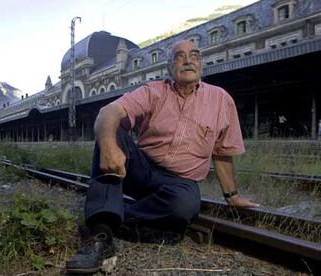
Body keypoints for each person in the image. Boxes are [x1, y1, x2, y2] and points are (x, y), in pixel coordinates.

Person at [66, 40, 260, 274]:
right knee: (111, 132)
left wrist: (233, 195)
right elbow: (108, 112)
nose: (188, 60)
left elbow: (222, 152)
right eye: (180, 56)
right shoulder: (153, 91)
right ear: (169, 67)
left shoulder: (221, 100)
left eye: (194, 55)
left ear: (200, 63)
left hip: (179, 182)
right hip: (140, 169)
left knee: (186, 205)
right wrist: (108, 146)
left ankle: (116, 216)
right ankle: (101, 236)